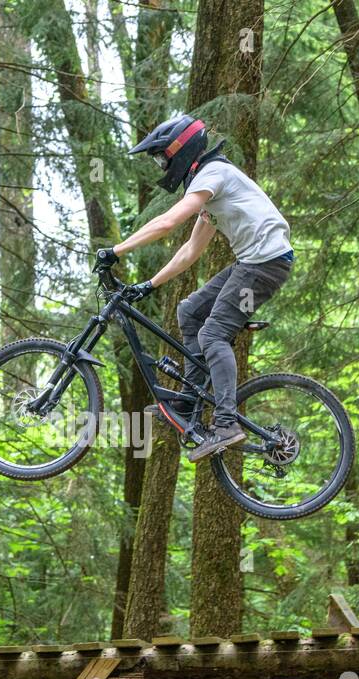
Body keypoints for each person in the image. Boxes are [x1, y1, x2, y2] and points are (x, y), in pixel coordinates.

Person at [95, 114, 294, 462]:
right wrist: (148, 285)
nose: (161, 166)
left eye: (162, 158)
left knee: (213, 334)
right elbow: (189, 251)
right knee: (189, 311)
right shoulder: (209, 193)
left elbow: (169, 222)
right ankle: (188, 404)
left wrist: (116, 250)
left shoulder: (213, 175)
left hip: (265, 264)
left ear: (181, 151)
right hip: (254, 262)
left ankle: (226, 424)